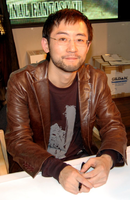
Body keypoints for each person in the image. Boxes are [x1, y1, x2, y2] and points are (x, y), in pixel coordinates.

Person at [5, 9, 127, 194]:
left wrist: (107, 158)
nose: (72, 48)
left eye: (79, 40)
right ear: (46, 44)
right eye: (62, 39)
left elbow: (113, 126)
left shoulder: (96, 79)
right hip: (40, 170)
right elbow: (17, 140)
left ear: (88, 46)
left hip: (82, 166)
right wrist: (58, 169)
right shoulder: (22, 82)